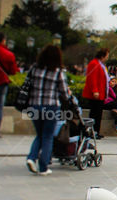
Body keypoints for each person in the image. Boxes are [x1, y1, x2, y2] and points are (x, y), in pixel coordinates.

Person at [24, 44, 80, 175]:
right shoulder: (58, 72)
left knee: (39, 135)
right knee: (48, 136)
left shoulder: (34, 69)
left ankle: (31, 158)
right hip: (51, 106)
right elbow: (64, 94)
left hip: (35, 105)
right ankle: (43, 167)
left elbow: (27, 86)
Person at [82, 47, 110, 139]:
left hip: (100, 93)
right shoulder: (94, 64)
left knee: (98, 114)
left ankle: (96, 131)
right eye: (107, 55)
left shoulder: (100, 64)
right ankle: (93, 132)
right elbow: (92, 78)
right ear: (103, 55)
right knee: (95, 113)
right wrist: (95, 91)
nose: (107, 57)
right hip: (96, 94)